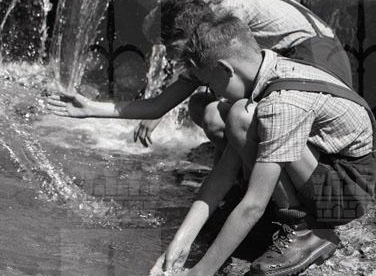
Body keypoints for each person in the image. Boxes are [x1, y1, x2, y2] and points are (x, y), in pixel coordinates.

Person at [148, 14, 376, 276]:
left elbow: (253, 205)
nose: (215, 93)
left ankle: (302, 228)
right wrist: (181, 242)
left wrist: (201, 272)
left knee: (244, 117)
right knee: (240, 115)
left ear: (226, 69)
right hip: (326, 168)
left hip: (344, 196)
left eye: (210, 84)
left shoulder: (281, 103)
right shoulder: (270, 67)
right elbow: (222, 175)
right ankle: (287, 215)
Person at [133, 0, 353, 147]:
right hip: (335, 64)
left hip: (311, 66)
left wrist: (160, 110)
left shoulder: (233, 3)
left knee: (209, 113)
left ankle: (245, 164)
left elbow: (203, 56)